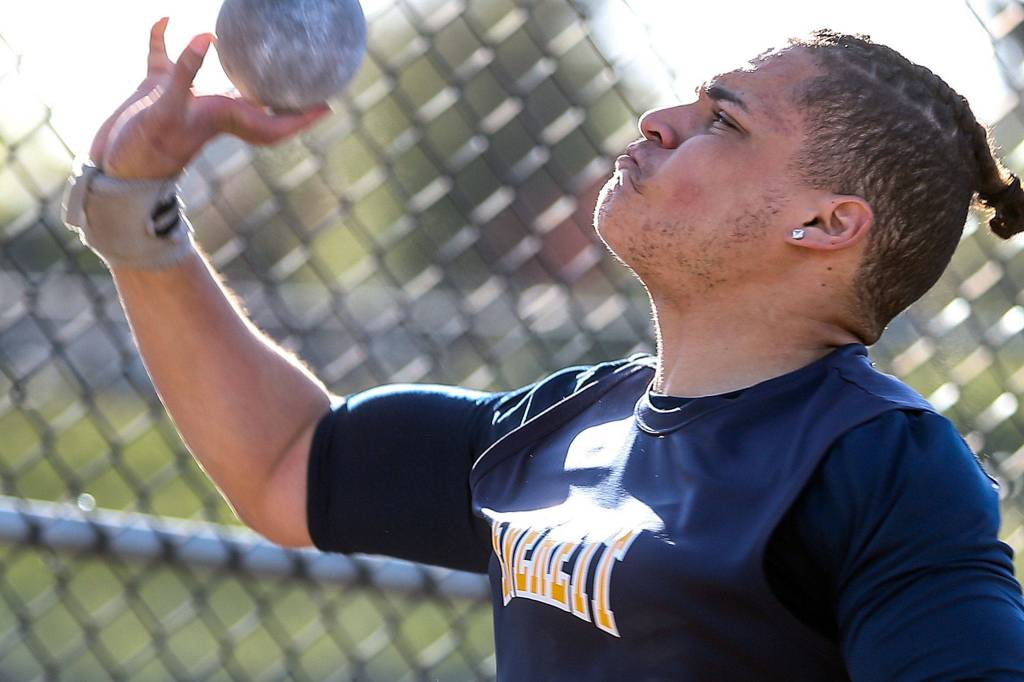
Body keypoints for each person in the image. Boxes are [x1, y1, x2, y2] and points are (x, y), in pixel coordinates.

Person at [60, 16, 1024, 681]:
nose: (661, 119)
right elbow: (284, 464)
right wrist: (131, 212)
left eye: (723, 120)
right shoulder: (566, 423)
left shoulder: (881, 466)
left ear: (824, 223)